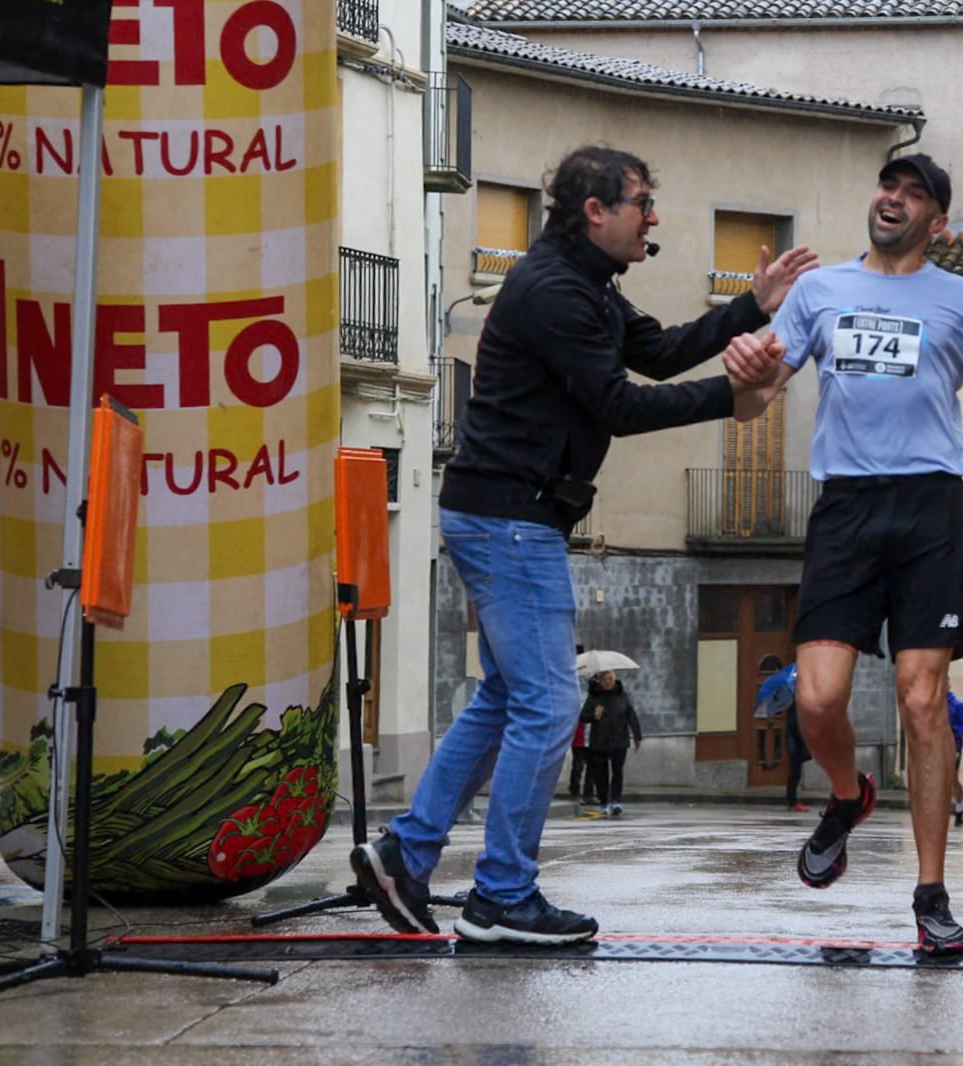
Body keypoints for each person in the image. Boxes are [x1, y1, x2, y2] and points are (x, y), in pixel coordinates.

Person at [350, 144, 817, 945]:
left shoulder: (586, 287)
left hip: (505, 515)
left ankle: (407, 851)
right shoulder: (554, 293)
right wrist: (736, 397)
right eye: (641, 201)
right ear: (594, 210)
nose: (654, 217)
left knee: (507, 697)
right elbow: (618, 406)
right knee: (550, 702)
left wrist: (752, 306)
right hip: (509, 520)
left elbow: (662, 350)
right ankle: (501, 894)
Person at [728, 152, 963, 956]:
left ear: (938, 221)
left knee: (923, 704)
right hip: (846, 507)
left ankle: (930, 895)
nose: (893, 199)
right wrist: (747, 371)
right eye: (889, 186)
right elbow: (754, 404)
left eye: (914, 193)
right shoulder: (819, 293)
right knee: (816, 699)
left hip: (929, 509)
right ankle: (849, 797)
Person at [580, 670, 642, 816]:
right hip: (599, 742)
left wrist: (637, 736)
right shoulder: (594, 697)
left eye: (610, 679)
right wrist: (595, 715)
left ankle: (616, 801)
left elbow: (631, 716)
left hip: (619, 741)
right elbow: (583, 717)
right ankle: (604, 802)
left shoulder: (622, 696)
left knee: (617, 772)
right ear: (600, 682)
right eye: (604, 680)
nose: (607, 682)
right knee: (601, 775)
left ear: (614, 680)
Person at [946, 691, 963, 826]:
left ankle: (959, 807)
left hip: (954, 745)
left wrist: (953, 731)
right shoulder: (936, 703)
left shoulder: (957, 704)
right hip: (938, 745)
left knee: (953, 778)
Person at [785, 705, 813, 812]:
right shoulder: (794, 708)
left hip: (798, 743)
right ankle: (792, 801)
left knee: (796, 773)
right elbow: (793, 727)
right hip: (796, 745)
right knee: (795, 773)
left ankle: (792, 801)